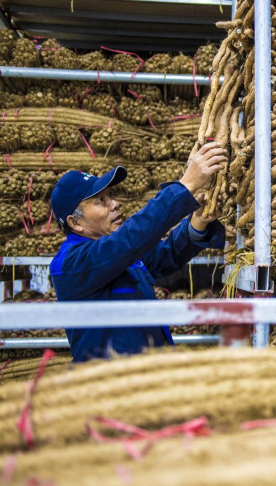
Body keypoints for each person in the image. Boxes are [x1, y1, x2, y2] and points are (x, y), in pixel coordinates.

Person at [49, 142, 228, 363]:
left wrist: (198, 222)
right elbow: (130, 239)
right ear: (75, 223)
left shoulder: (114, 254)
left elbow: (163, 257)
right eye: (100, 201)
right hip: (110, 387)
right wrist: (186, 184)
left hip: (144, 378)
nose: (114, 204)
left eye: (110, 196)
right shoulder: (71, 264)